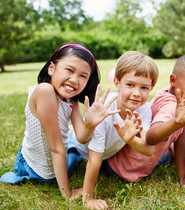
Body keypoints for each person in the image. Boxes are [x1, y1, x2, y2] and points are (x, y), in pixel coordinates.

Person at [0, 43, 119, 199]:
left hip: (58, 159)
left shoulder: (71, 101)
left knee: (73, 145)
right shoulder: (44, 90)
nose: (75, 80)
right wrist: (67, 193)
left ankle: (67, 134)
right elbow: (56, 148)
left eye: (83, 76)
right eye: (69, 70)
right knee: (70, 148)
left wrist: (89, 125)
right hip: (39, 169)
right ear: (51, 68)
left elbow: (82, 137)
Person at [106, 55, 185, 188]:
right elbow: (151, 137)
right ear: (173, 80)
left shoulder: (166, 92)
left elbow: (180, 136)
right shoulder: (171, 107)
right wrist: (178, 122)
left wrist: (182, 178)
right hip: (126, 170)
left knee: (173, 152)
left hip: (124, 163)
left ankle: (181, 153)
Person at [72, 51, 158, 210]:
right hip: (81, 147)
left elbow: (148, 150)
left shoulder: (144, 109)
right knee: (71, 162)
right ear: (117, 83)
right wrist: (88, 199)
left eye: (144, 87)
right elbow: (94, 158)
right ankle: (73, 130)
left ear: (151, 87)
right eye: (130, 85)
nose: (136, 94)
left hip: (108, 153)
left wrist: (130, 139)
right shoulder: (105, 110)